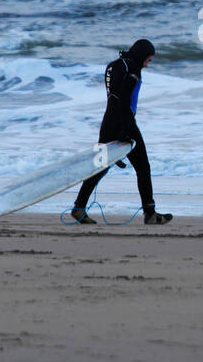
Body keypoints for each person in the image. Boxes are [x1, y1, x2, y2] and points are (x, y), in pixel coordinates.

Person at [70, 39, 173, 225]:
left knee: (99, 167)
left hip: (108, 122)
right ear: (142, 55)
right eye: (148, 60)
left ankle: (78, 208)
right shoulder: (133, 69)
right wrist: (125, 130)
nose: (147, 64)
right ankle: (150, 214)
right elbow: (124, 101)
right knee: (143, 166)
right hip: (124, 122)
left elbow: (114, 98)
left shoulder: (115, 66)